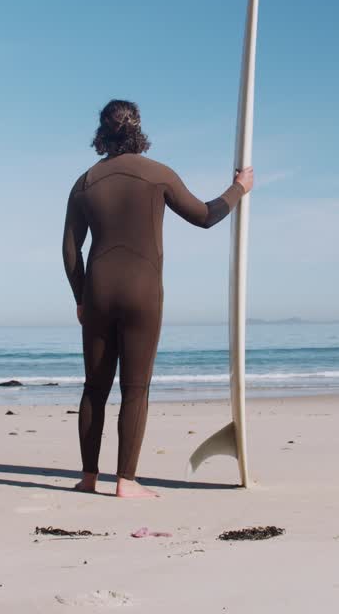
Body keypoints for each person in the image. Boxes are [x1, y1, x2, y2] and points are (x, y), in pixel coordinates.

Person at [62, 99, 254, 498]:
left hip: (97, 292)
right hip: (143, 293)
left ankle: (88, 478)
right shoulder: (159, 174)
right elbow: (204, 215)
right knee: (135, 388)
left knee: (94, 387)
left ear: (101, 132)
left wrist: (82, 297)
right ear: (138, 129)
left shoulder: (84, 182)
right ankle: (126, 482)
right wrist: (239, 188)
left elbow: (69, 250)